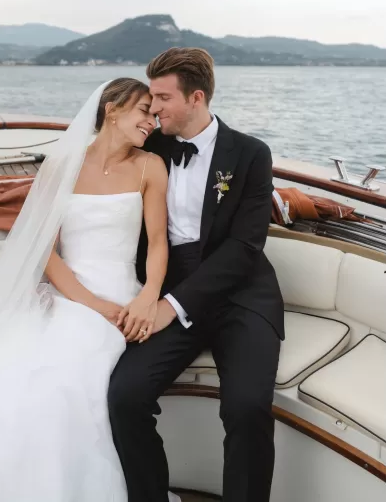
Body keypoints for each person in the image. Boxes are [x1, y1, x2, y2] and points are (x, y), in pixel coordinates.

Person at [0, 78, 169, 502]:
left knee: (63, 388)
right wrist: (90, 303)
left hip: (121, 294)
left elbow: (158, 244)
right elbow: (47, 254)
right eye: (144, 110)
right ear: (112, 109)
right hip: (69, 294)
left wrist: (146, 299)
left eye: (154, 112)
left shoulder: (150, 167)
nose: (153, 120)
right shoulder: (61, 165)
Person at [109, 48, 285, 502]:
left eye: (163, 97)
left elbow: (245, 248)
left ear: (196, 98)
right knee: (125, 396)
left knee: (246, 408)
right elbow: (101, 164)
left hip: (240, 291)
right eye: (151, 97)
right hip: (169, 283)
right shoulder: (152, 147)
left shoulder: (249, 154)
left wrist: (170, 305)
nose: (154, 107)